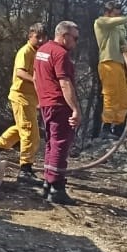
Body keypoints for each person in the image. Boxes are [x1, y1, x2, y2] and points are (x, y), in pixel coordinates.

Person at [0, 24, 46, 185]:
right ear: (30, 36)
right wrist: (36, 80)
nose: (41, 40)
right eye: (38, 37)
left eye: (44, 37)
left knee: (22, 128)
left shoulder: (39, 53)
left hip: (31, 98)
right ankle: (25, 169)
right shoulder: (25, 51)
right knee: (30, 132)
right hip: (21, 96)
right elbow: (20, 72)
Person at [35, 20, 83, 204]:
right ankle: (57, 188)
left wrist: (42, 100)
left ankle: (47, 183)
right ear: (64, 36)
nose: (76, 43)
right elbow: (64, 83)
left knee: (51, 144)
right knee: (60, 144)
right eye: (75, 38)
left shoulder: (42, 50)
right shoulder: (60, 54)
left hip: (47, 104)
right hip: (59, 104)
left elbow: (36, 77)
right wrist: (75, 109)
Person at [93, 3, 127, 139]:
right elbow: (118, 21)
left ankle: (118, 129)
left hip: (119, 64)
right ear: (108, 12)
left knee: (123, 98)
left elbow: (123, 41)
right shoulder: (101, 22)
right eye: (116, 13)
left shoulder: (115, 28)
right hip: (107, 62)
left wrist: (125, 45)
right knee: (111, 95)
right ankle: (106, 127)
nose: (118, 16)